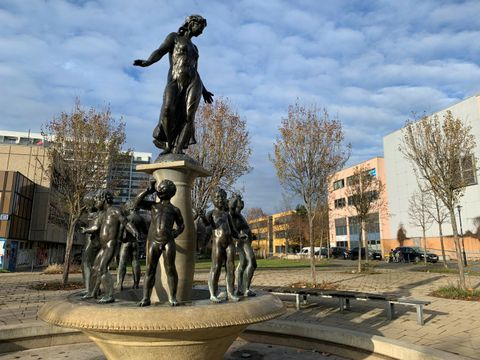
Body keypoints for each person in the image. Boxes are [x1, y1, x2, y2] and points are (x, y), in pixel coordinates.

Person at [133, 14, 214, 154]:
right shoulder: (174, 38)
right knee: (167, 109)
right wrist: (147, 62)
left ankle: (178, 149)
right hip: (175, 79)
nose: (201, 31)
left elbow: (196, 70)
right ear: (191, 23)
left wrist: (204, 91)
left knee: (189, 116)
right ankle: (169, 144)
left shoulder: (195, 48)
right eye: (200, 27)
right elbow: (160, 51)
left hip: (193, 82)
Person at [81, 191, 139, 303]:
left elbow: (126, 222)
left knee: (103, 269)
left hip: (110, 245)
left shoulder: (115, 210)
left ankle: (109, 295)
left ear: (104, 199)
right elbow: (96, 227)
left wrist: (134, 231)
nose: (95, 202)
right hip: (103, 246)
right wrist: (86, 230)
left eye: (97, 199)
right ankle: (91, 292)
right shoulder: (103, 214)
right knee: (94, 269)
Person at [133, 179, 184, 307]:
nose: (159, 190)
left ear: (170, 192)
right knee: (150, 269)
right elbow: (136, 203)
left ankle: (173, 297)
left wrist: (176, 233)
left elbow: (182, 225)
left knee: (170, 269)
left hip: (168, 241)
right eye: (159, 188)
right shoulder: (153, 206)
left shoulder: (175, 210)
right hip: (153, 241)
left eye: (162, 188)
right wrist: (147, 190)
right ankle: (146, 298)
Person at [203, 188, 240, 303]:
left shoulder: (227, 214)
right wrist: (202, 216)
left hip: (229, 243)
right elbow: (206, 223)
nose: (220, 199)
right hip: (218, 243)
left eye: (222, 197)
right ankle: (213, 294)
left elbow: (233, 230)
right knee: (216, 267)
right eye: (217, 197)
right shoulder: (211, 213)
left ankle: (230, 293)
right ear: (213, 199)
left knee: (231, 267)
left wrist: (239, 236)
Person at [116, 200, 149, 291]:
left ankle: (120, 284)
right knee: (136, 262)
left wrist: (119, 240)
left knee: (122, 262)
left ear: (129, 207)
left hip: (126, 242)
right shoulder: (141, 219)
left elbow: (120, 232)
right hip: (135, 243)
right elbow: (146, 231)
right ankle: (136, 284)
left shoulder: (127, 218)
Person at [228, 193, 257, 297]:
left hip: (247, 240)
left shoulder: (239, 215)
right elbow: (230, 207)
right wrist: (235, 199)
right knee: (252, 262)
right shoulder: (233, 214)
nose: (242, 204)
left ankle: (242, 289)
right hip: (243, 241)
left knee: (244, 263)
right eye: (240, 203)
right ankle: (245, 288)